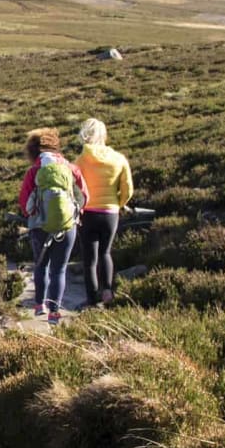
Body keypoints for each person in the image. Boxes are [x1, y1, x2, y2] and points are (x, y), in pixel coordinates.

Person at [16, 127, 86, 324]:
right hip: (67, 226)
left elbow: (24, 203)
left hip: (39, 227)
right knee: (59, 269)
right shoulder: (71, 169)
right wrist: (73, 214)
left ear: (33, 150)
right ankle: (55, 312)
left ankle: (39, 305)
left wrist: (35, 214)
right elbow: (84, 197)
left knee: (41, 266)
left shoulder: (34, 172)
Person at [72, 118, 133, 308]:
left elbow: (73, 189)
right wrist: (118, 204)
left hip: (87, 213)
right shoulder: (119, 159)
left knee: (90, 259)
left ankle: (92, 300)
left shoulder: (80, 161)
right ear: (104, 135)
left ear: (85, 135)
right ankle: (107, 290)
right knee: (106, 252)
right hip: (110, 213)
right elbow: (128, 189)